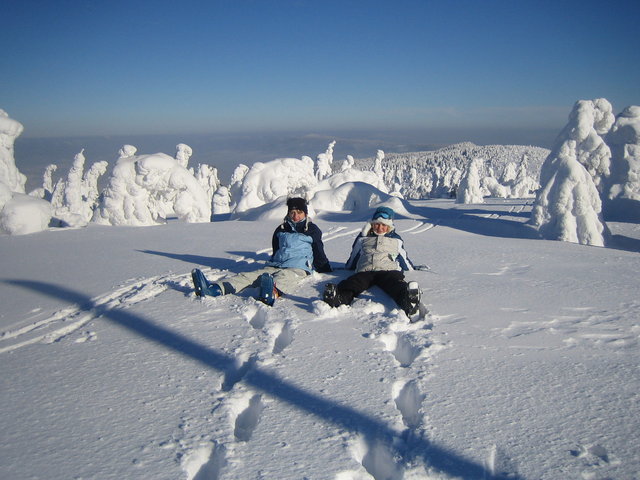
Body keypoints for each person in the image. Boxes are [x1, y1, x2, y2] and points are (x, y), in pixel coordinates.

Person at [192, 197, 332, 305]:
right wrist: (274, 262)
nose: (296, 216)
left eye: (299, 212)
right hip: (276, 264)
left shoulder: (312, 230)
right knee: (248, 276)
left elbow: (318, 250)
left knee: (283, 278)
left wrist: (324, 267)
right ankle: (214, 289)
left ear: (305, 213)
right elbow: (276, 249)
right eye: (292, 212)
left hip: (297, 267)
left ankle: (270, 293)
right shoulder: (281, 229)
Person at [322, 206, 422, 317]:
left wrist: (412, 268)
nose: (380, 228)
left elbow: (403, 258)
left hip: (388, 270)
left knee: (396, 284)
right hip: (366, 271)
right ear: (371, 224)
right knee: (353, 283)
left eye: (384, 225)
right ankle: (339, 298)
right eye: (377, 224)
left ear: (389, 226)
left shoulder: (396, 240)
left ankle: (408, 301)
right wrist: (349, 267)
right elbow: (354, 256)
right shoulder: (363, 238)